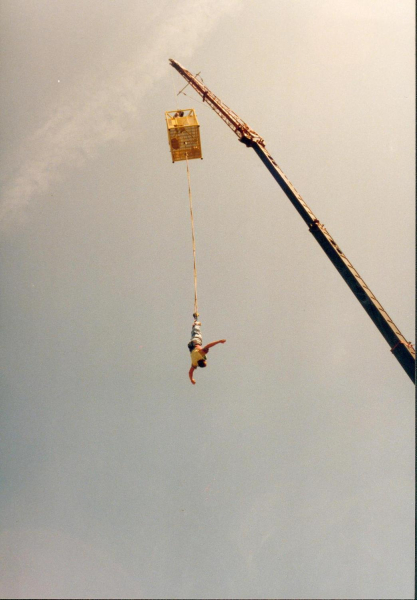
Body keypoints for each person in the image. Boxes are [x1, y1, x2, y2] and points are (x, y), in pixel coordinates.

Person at [188, 320, 226, 385]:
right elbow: (190, 372)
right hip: (191, 345)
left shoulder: (201, 354)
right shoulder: (194, 363)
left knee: (197, 333)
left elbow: (209, 345)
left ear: (203, 361)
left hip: (196, 342)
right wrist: (191, 379)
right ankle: (194, 326)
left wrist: (219, 341)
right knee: (194, 334)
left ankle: (196, 324)